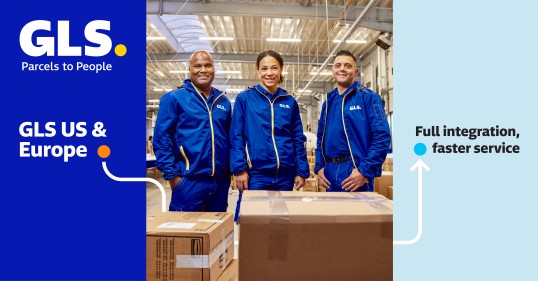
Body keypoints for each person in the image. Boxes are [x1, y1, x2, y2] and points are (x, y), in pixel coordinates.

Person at [230, 50, 309, 219]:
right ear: (258, 71)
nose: (269, 73)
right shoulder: (245, 99)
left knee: (281, 222)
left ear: (281, 70)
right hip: (256, 175)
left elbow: (298, 138)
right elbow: (236, 137)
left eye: (274, 68)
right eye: (264, 68)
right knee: (253, 222)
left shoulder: (289, 101)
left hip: (285, 175)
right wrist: (239, 169)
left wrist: (301, 170)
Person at [153, 51, 232, 212]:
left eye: (208, 65)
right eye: (197, 66)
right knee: (185, 234)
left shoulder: (222, 101)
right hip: (188, 181)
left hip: (220, 183)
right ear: (189, 69)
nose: (203, 70)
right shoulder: (174, 98)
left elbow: (229, 139)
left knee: (216, 233)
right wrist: (174, 178)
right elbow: (161, 140)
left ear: (213, 69)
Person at [314, 50, 391, 192]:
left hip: (354, 169)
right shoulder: (328, 102)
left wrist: (364, 171)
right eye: (338, 65)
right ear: (333, 70)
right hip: (329, 171)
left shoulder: (368, 98)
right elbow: (320, 138)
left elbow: (382, 136)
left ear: (355, 72)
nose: (342, 68)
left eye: (347, 66)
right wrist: (319, 167)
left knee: (357, 214)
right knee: (332, 213)